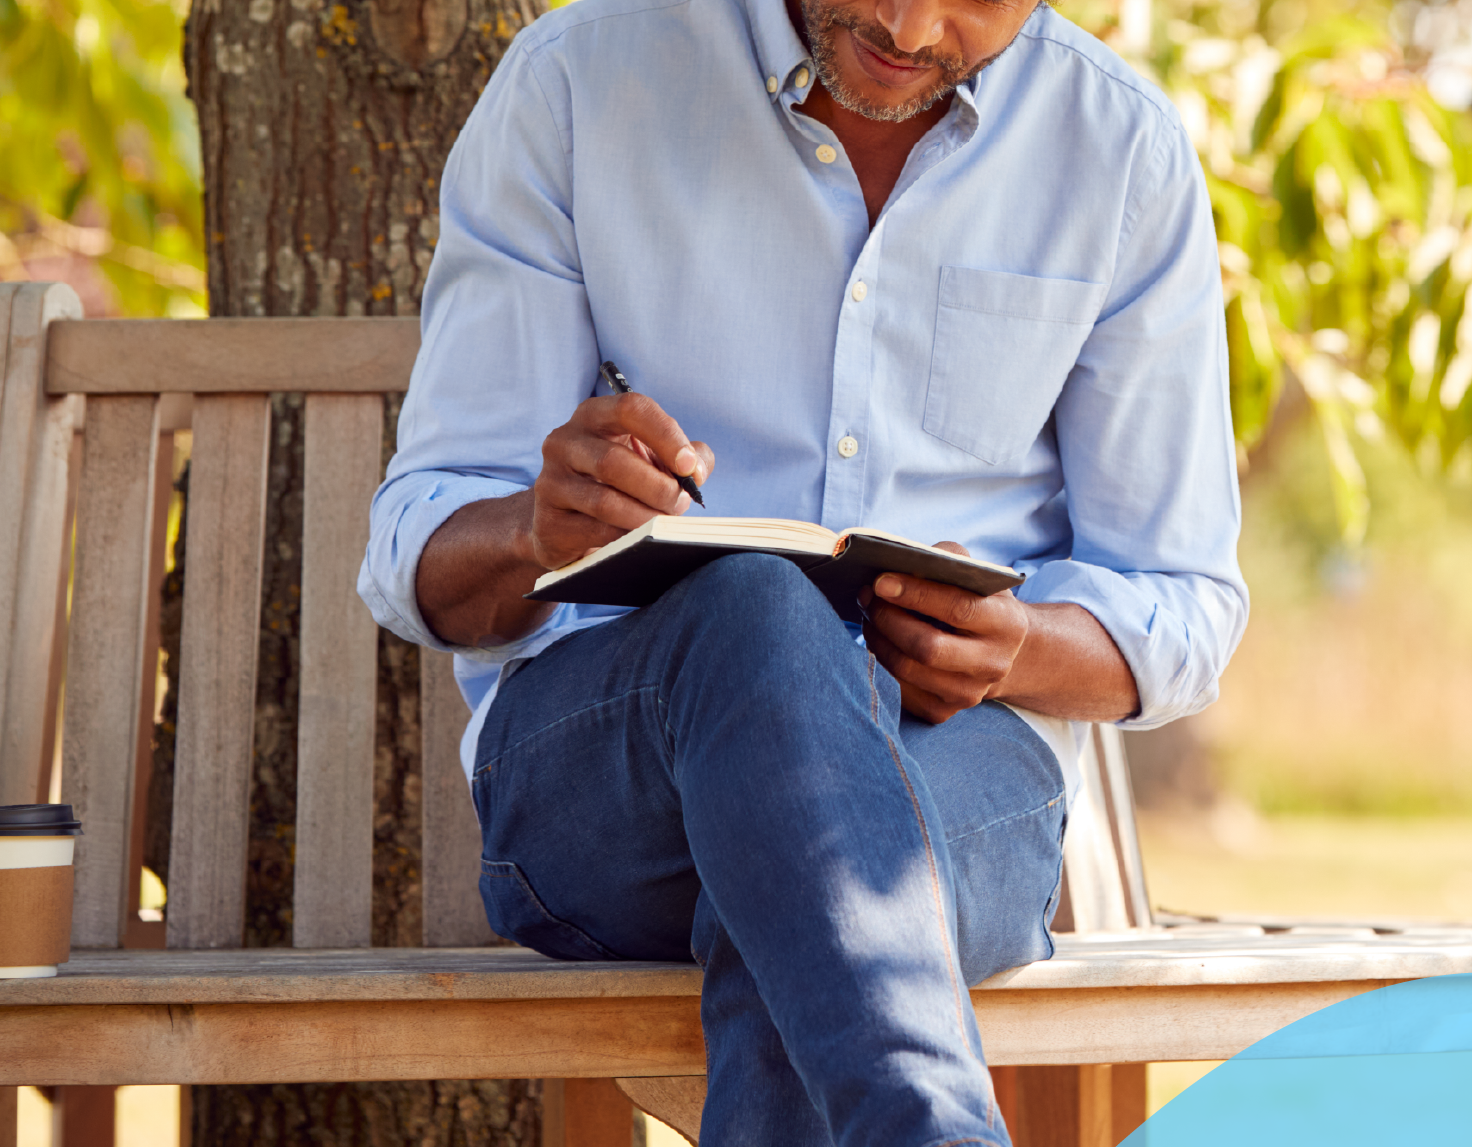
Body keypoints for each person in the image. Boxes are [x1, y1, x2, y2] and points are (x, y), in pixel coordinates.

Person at [358, 0, 1246, 1139]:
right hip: (606, 791)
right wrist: (538, 528)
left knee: (795, 876)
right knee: (756, 609)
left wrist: (1019, 647)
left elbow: (1185, 600)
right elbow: (413, 556)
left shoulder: (1114, 147)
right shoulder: (580, 83)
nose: (911, 26)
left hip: (961, 775)